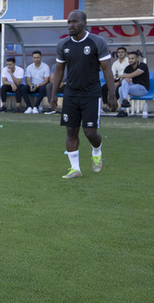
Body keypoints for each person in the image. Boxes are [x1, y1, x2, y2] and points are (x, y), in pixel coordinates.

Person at [49, 9, 117, 179]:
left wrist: (111, 94)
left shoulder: (97, 42)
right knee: (71, 131)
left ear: (85, 23)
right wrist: (53, 94)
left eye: (75, 22)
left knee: (90, 132)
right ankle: (75, 168)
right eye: (69, 22)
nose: (71, 25)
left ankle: (97, 151)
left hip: (91, 93)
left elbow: (107, 69)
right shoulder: (63, 45)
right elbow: (59, 71)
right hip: (71, 93)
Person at [115, 50, 149, 117]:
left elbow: (132, 75)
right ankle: (124, 107)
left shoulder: (143, 66)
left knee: (122, 88)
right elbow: (122, 80)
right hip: (133, 87)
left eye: (132, 58)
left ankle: (124, 105)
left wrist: (119, 76)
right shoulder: (128, 68)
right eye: (129, 58)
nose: (130, 60)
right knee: (121, 88)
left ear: (137, 59)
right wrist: (125, 78)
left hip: (142, 89)